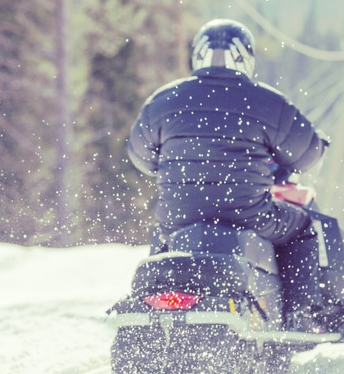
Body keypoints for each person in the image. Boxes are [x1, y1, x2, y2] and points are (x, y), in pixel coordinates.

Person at [127, 18, 333, 331]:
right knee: (302, 227)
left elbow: (140, 156)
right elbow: (307, 154)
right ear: (246, 58)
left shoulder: (163, 101)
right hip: (247, 215)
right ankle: (300, 316)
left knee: (163, 233)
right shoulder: (266, 101)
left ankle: (152, 311)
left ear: (197, 56)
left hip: (180, 218)